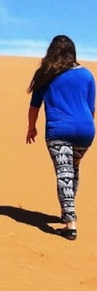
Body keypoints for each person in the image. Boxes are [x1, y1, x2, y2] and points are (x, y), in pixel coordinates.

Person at [26, 35, 95, 241]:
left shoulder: (45, 74)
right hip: (85, 130)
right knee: (72, 169)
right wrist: (85, 126)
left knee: (64, 172)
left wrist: (31, 128)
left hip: (59, 130)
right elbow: (91, 109)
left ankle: (70, 222)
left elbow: (34, 107)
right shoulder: (87, 75)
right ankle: (67, 212)